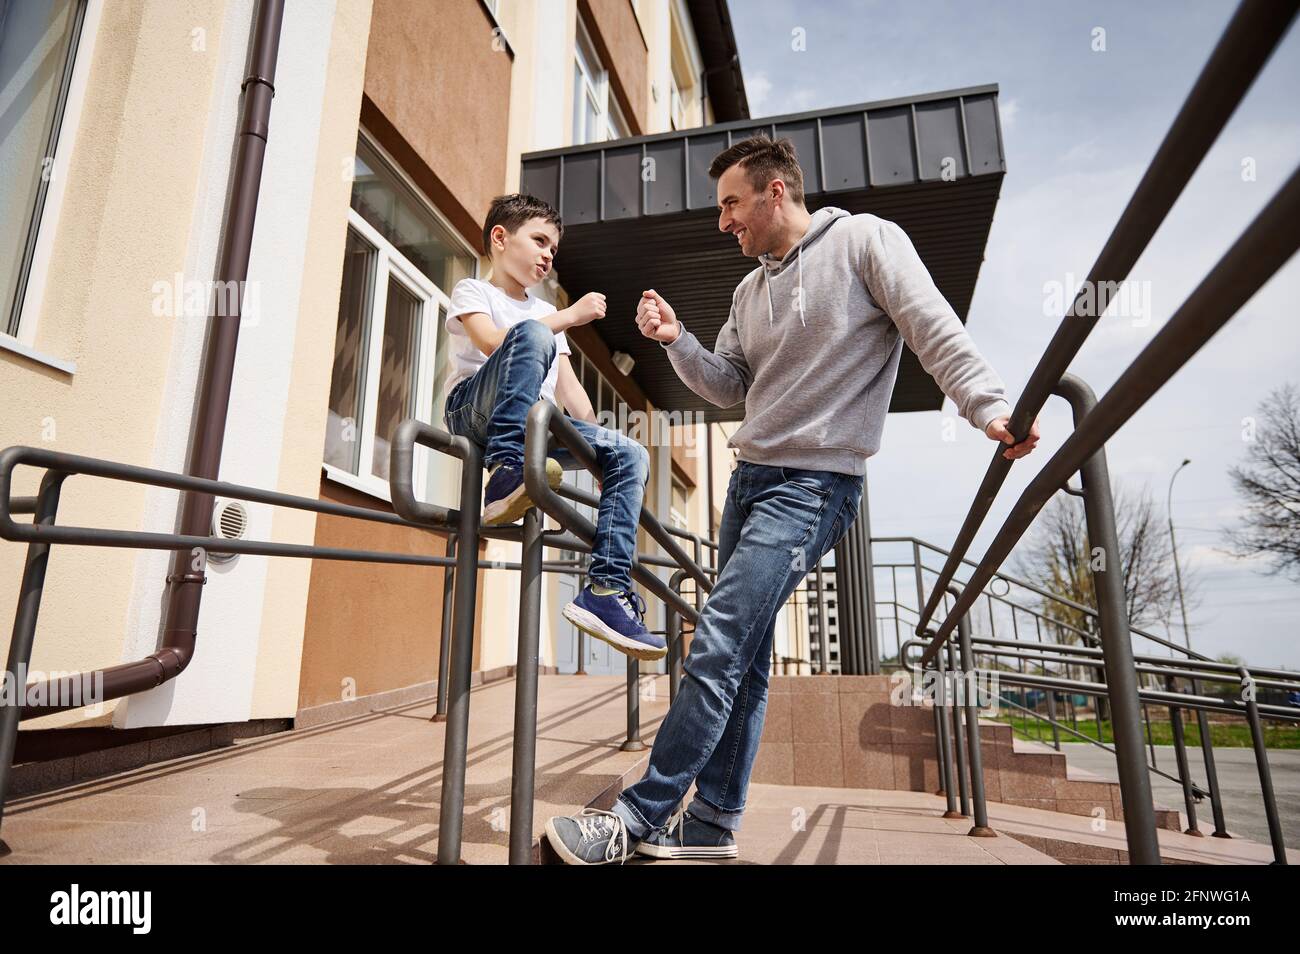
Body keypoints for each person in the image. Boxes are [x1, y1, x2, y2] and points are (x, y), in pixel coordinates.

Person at [543, 136, 1041, 864]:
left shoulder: (866, 241)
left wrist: (989, 407)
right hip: (750, 483)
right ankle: (711, 827)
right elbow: (729, 385)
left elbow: (930, 325)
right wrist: (678, 339)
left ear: (776, 192)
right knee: (740, 657)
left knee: (716, 643)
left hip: (813, 485)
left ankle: (636, 819)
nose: (724, 222)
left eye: (731, 204)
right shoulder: (749, 291)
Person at [443, 193, 665, 661]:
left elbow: (573, 397)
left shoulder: (543, 316)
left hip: (536, 425)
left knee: (632, 454)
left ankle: (606, 590)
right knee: (533, 333)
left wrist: (601, 455)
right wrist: (567, 317)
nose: (547, 255)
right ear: (500, 239)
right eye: (539, 241)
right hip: (475, 412)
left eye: (553, 250)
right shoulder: (474, 291)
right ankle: (505, 470)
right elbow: (488, 343)